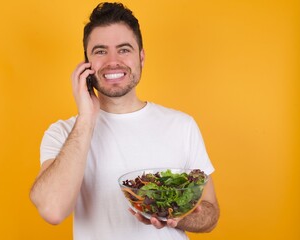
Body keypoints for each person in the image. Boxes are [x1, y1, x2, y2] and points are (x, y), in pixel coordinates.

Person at [30, 2, 220, 239]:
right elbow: (52, 209)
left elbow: (210, 213)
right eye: (100, 51)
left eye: (124, 49)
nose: (112, 61)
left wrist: (178, 216)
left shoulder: (182, 125)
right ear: (86, 64)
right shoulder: (64, 132)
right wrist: (87, 119)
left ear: (141, 57)